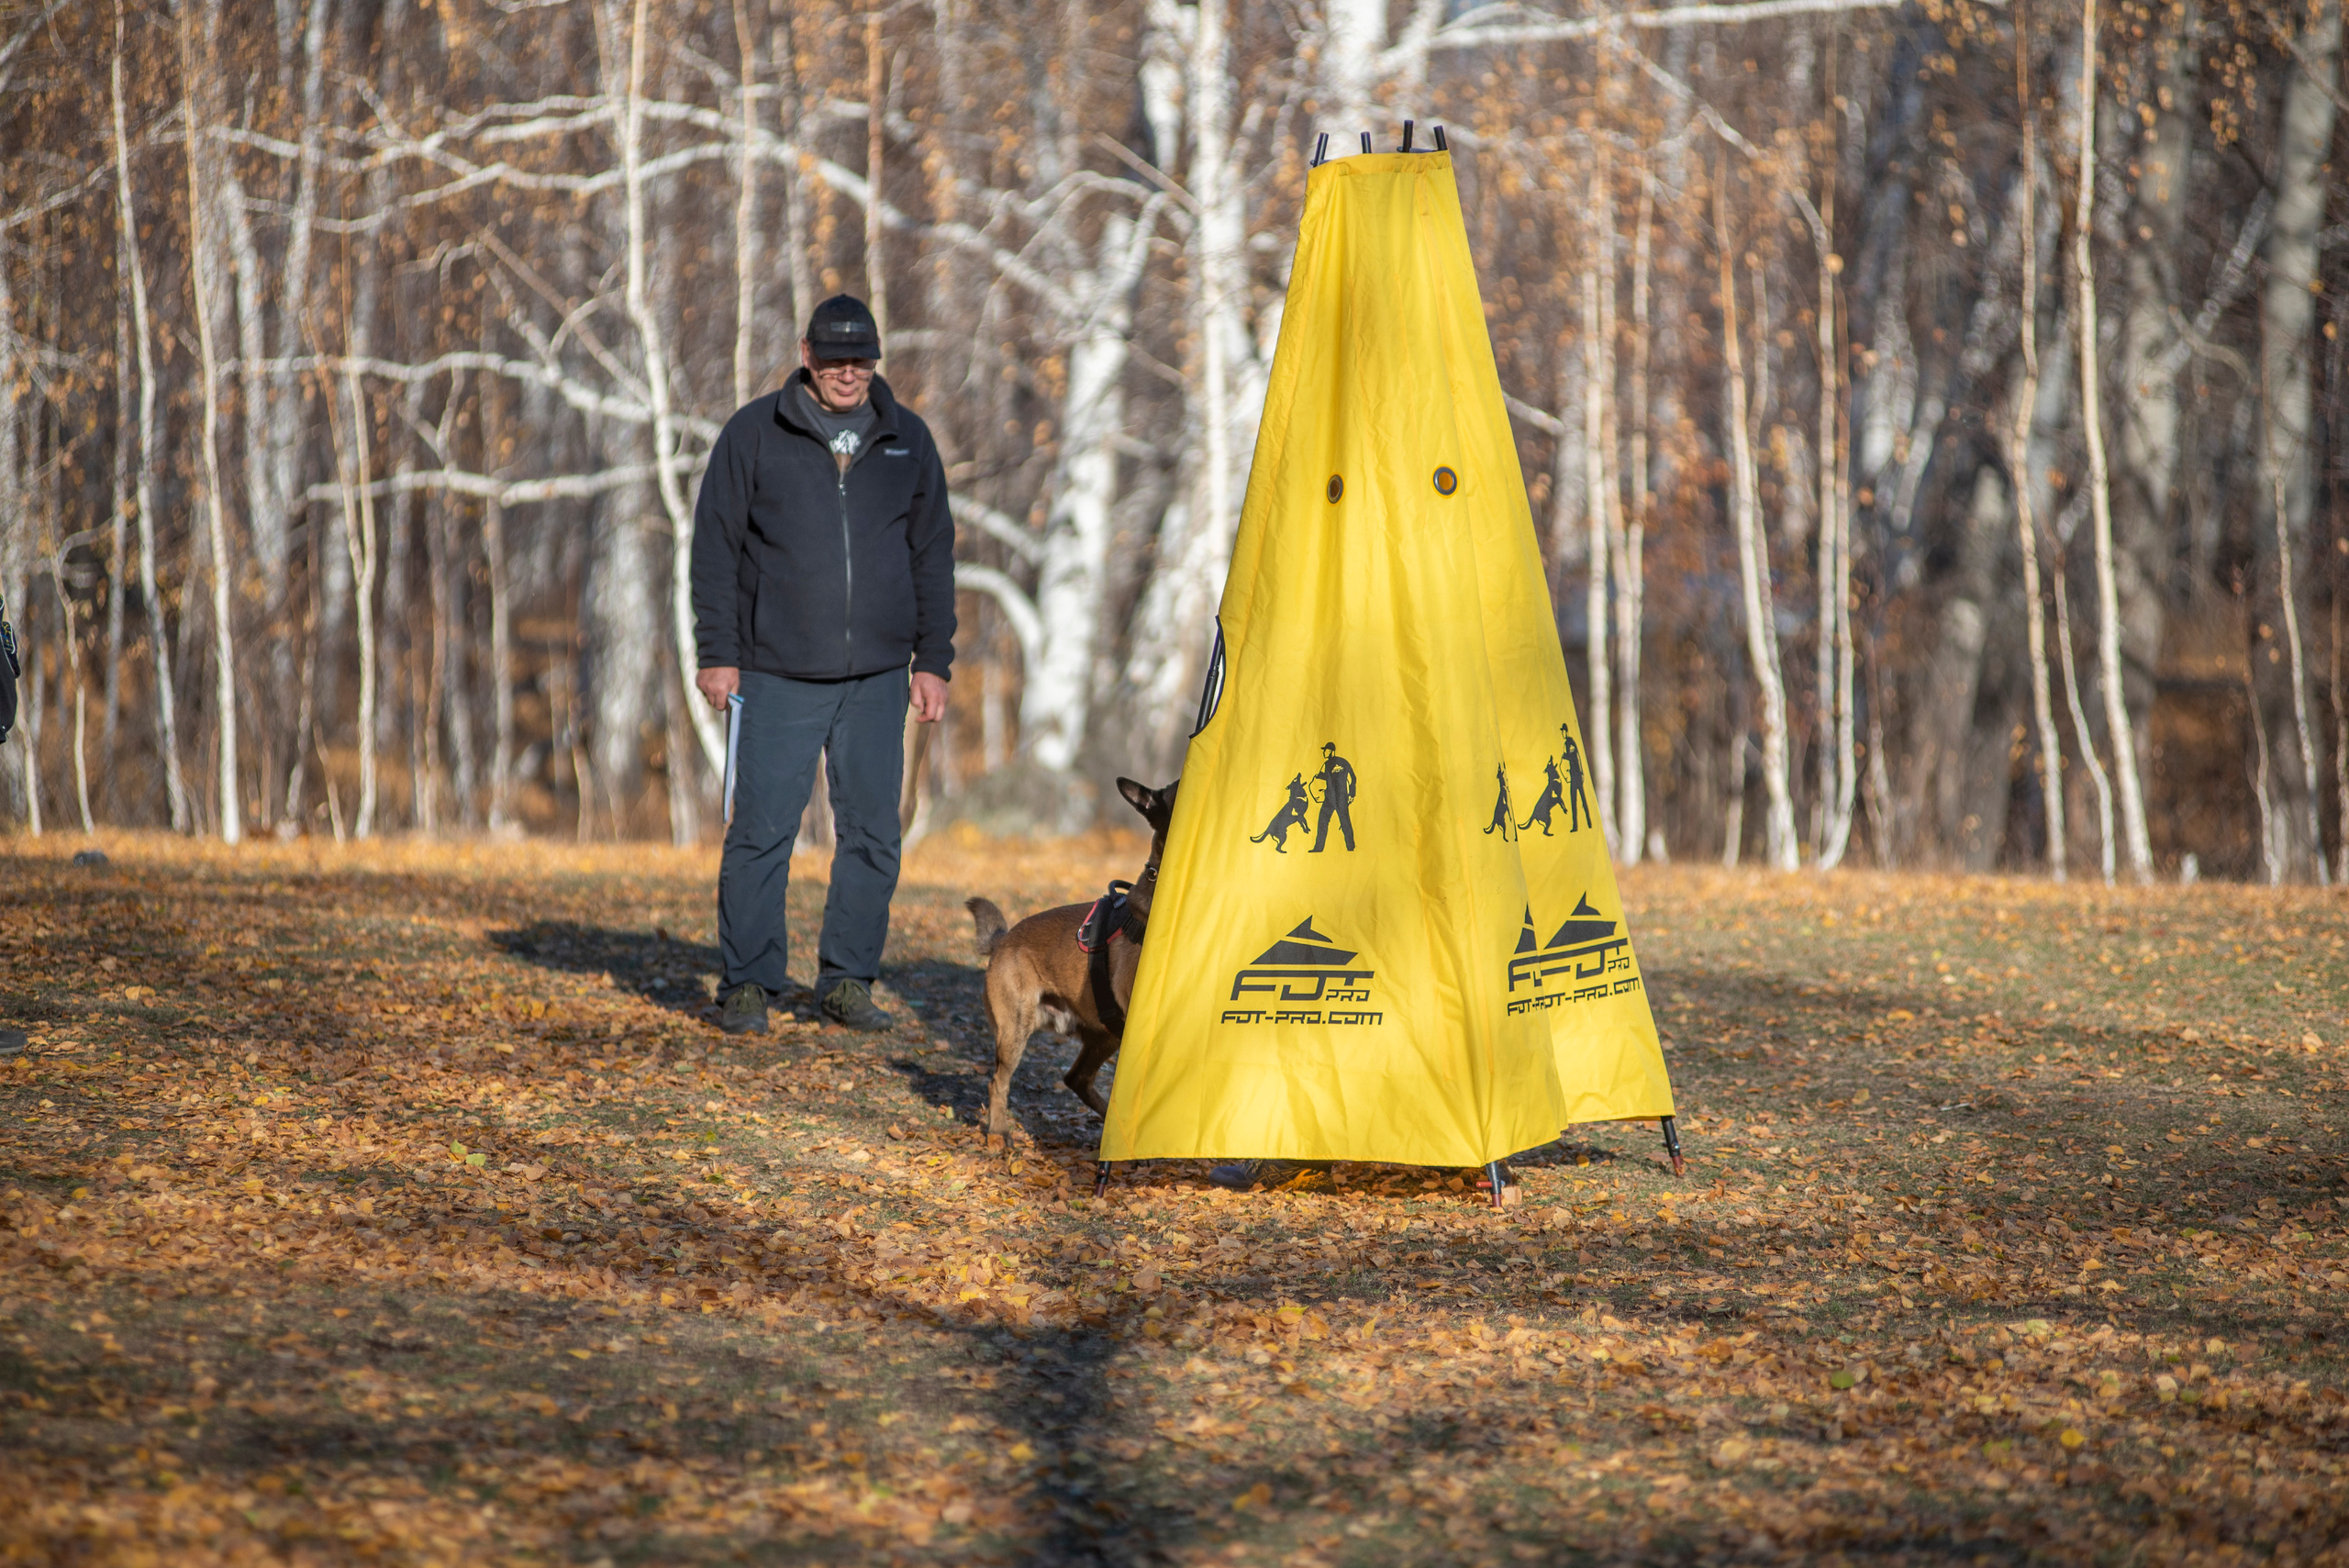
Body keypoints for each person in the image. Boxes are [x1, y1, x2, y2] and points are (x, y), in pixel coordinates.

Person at [690, 295, 955, 1034]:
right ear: (806, 354)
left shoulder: (908, 441)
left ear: (876, 358)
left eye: (861, 357)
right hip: (774, 674)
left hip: (877, 678)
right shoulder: (754, 434)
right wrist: (718, 655)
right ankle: (748, 982)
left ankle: (846, 981)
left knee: (873, 833)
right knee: (760, 830)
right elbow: (714, 550)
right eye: (835, 357)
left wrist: (932, 661)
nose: (849, 371)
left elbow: (932, 556)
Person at [1309, 741, 1357, 852]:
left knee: (1345, 822)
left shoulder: (1343, 762)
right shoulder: (1326, 765)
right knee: (1322, 821)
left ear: (1331, 751)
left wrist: (1352, 794)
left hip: (1341, 798)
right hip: (1329, 798)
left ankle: (1351, 847)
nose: (1324, 752)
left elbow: (1352, 777)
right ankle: (1318, 848)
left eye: (1325, 750)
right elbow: (1320, 777)